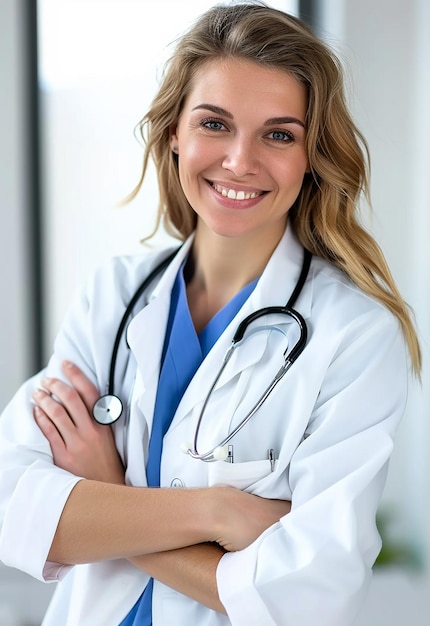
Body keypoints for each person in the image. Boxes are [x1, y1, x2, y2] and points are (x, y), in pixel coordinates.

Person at [0, 2, 421, 625]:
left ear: (311, 158)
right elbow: (16, 508)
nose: (240, 161)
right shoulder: (115, 296)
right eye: (215, 123)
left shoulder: (353, 333)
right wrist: (218, 513)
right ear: (175, 133)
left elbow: (312, 593)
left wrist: (109, 499)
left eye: (279, 134)